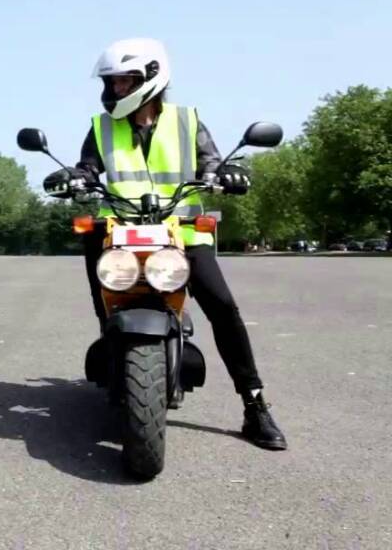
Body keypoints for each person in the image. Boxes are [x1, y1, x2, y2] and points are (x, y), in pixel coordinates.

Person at [58, 37, 287, 450]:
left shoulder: (187, 121)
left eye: (124, 82)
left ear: (151, 78)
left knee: (222, 306)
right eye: (111, 84)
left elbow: (211, 162)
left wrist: (229, 173)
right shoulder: (101, 127)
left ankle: (255, 405)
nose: (115, 92)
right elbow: (88, 168)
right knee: (97, 257)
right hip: (122, 229)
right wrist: (74, 178)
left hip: (180, 231)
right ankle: (114, 349)